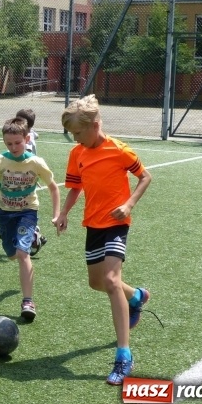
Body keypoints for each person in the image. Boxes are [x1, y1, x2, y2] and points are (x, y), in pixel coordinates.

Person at [54, 94, 152, 386]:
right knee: (96, 282)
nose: (76, 138)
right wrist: (63, 213)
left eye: (78, 133)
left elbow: (145, 177)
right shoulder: (78, 153)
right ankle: (136, 296)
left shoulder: (119, 150)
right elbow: (75, 187)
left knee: (110, 280)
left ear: (95, 125)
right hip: (93, 224)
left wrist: (129, 205)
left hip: (117, 223)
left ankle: (124, 356)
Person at [0, 116, 60, 324]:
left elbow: (53, 187)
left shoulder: (36, 163)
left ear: (27, 139)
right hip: (5, 213)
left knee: (22, 252)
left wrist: (56, 213)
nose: (14, 147)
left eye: (18, 142)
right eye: (9, 143)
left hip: (28, 211)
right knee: (11, 253)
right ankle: (32, 236)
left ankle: (28, 301)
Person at [16, 109, 47, 256]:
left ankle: (34, 235)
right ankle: (34, 232)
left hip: (23, 180)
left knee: (20, 210)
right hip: (29, 178)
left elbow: (25, 158)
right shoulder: (31, 133)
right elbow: (36, 134)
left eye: (19, 121)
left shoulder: (26, 139)